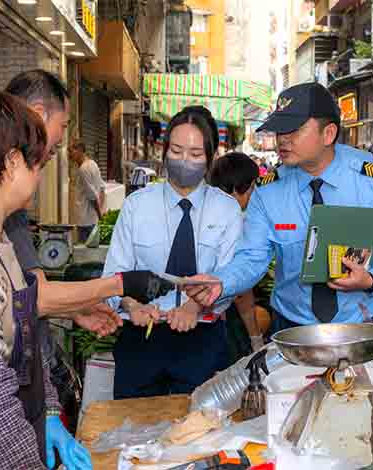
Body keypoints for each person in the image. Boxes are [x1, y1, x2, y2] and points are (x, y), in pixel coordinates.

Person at [0, 91, 172, 470]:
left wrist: (46, 410)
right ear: (13, 163)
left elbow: (22, 328)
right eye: (39, 164)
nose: (41, 175)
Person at [183, 82, 373, 331]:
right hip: (291, 324)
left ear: (328, 134)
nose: (282, 140)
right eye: (278, 131)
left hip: (362, 322)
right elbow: (252, 257)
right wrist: (222, 282)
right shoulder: (268, 191)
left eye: (293, 130)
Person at [102, 106, 243, 398]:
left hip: (202, 339)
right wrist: (131, 305)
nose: (183, 161)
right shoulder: (136, 205)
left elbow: (229, 276)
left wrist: (195, 307)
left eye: (194, 154)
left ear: (211, 157)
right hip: (142, 336)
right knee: (132, 431)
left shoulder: (227, 209)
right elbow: (114, 273)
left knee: (199, 432)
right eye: (176, 151)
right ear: (165, 151)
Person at [2, 70, 128, 341]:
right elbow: (37, 298)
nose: (61, 143)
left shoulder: (9, 212)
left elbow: (32, 292)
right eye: (64, 124)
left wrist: (72, 309)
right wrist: (119, 284)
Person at [207, 152, 266, 360]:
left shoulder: (201, 211)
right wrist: (255, 337)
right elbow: (242, 292)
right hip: (225, 321)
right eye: (251, 188)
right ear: (237, 187)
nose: (254, 194)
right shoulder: (237, 222)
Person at [70, 142, 106, 243]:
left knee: (85, 253)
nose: (70, 155)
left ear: (80, 150)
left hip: (85, 220)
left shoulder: (83, 169)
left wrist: (100, 214)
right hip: (93, 219)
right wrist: (101, 212)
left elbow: (92, 196)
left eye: (72, 151)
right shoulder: (93, 164)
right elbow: (102, 188)